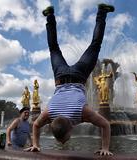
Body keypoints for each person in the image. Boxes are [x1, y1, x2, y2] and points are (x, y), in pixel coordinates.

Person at [25, 3, 114, 156]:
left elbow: (105, 125)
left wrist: (105, 148)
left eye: (65, 139)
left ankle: (102, 12)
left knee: (95, 45)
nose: (65, 141)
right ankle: (49, 15)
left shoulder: (82, 113)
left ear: (72, 128)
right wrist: (36, 144)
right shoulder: (49, 112)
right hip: (60, 76)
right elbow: (36, 125)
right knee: (54, 48)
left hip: (79, 75)